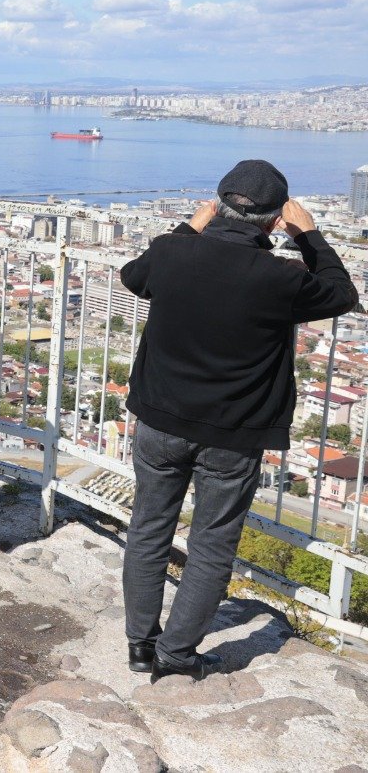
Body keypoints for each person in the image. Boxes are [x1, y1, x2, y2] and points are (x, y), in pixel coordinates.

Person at [119, 161, 356, 681]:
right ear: (275, 221)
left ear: (217, 205)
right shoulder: (281, 278)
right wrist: (310, 234)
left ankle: (141, 644)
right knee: (211, 543)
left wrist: (190, 226)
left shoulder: (171, 253)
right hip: (233, 432)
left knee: (149, 528)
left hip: (160, 419)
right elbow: (343, 294)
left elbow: (132, 276)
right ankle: (177, 656)